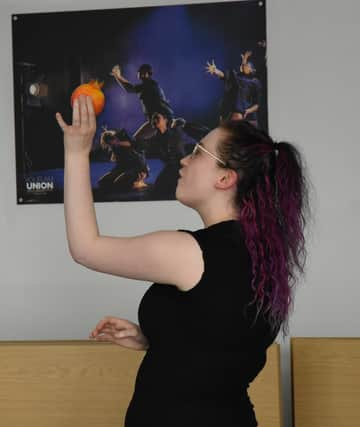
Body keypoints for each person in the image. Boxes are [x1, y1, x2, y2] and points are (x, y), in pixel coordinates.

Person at [56, 95, 309, 427]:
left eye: (197, 152)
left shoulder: (188, 252)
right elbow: (219, 347)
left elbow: (85, 249)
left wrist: (76, 151)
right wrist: (157, 337)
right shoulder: (262, 257)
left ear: (225, 178)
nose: (185, 161)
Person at [110, 63, 175, 143]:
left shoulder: (149, 85)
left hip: (162, 118)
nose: (141, 74)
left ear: (148, 74)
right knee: (137, 140)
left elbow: (130, 88)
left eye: (144, 73)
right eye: (140, 72)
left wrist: (118, 76)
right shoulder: (150, 85)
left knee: (135, 140)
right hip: (160, 119)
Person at [205, 51, 262, 127]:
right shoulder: (235, 76)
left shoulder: (255, 82)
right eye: (243, 64)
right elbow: (223, 75)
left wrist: (248, 111)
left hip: (249, 116)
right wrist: (215, 71)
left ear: (252, 69)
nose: (244, 65)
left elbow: (257, 104)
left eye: (246, 65)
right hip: (232, 112)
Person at [146, 112, 187, 200]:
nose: (156, 119)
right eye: (154, 119)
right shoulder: (156, 138)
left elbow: (181, 123)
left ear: (165, 120)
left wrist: (177, 123)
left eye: (158, 118)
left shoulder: (174, 132)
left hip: (179, 166)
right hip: (170, 166)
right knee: (159, 188)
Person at [97, 128, 149, 193]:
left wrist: (118, 143)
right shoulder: (114, 147)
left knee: (118, 184)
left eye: (112, 142)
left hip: (137, 168)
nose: (112, 144)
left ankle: (139, 181)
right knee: (102, 182)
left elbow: (133, 144)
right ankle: (132, 180)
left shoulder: (124, 138)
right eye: (110, 144)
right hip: (124, 168)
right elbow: (119, 165)